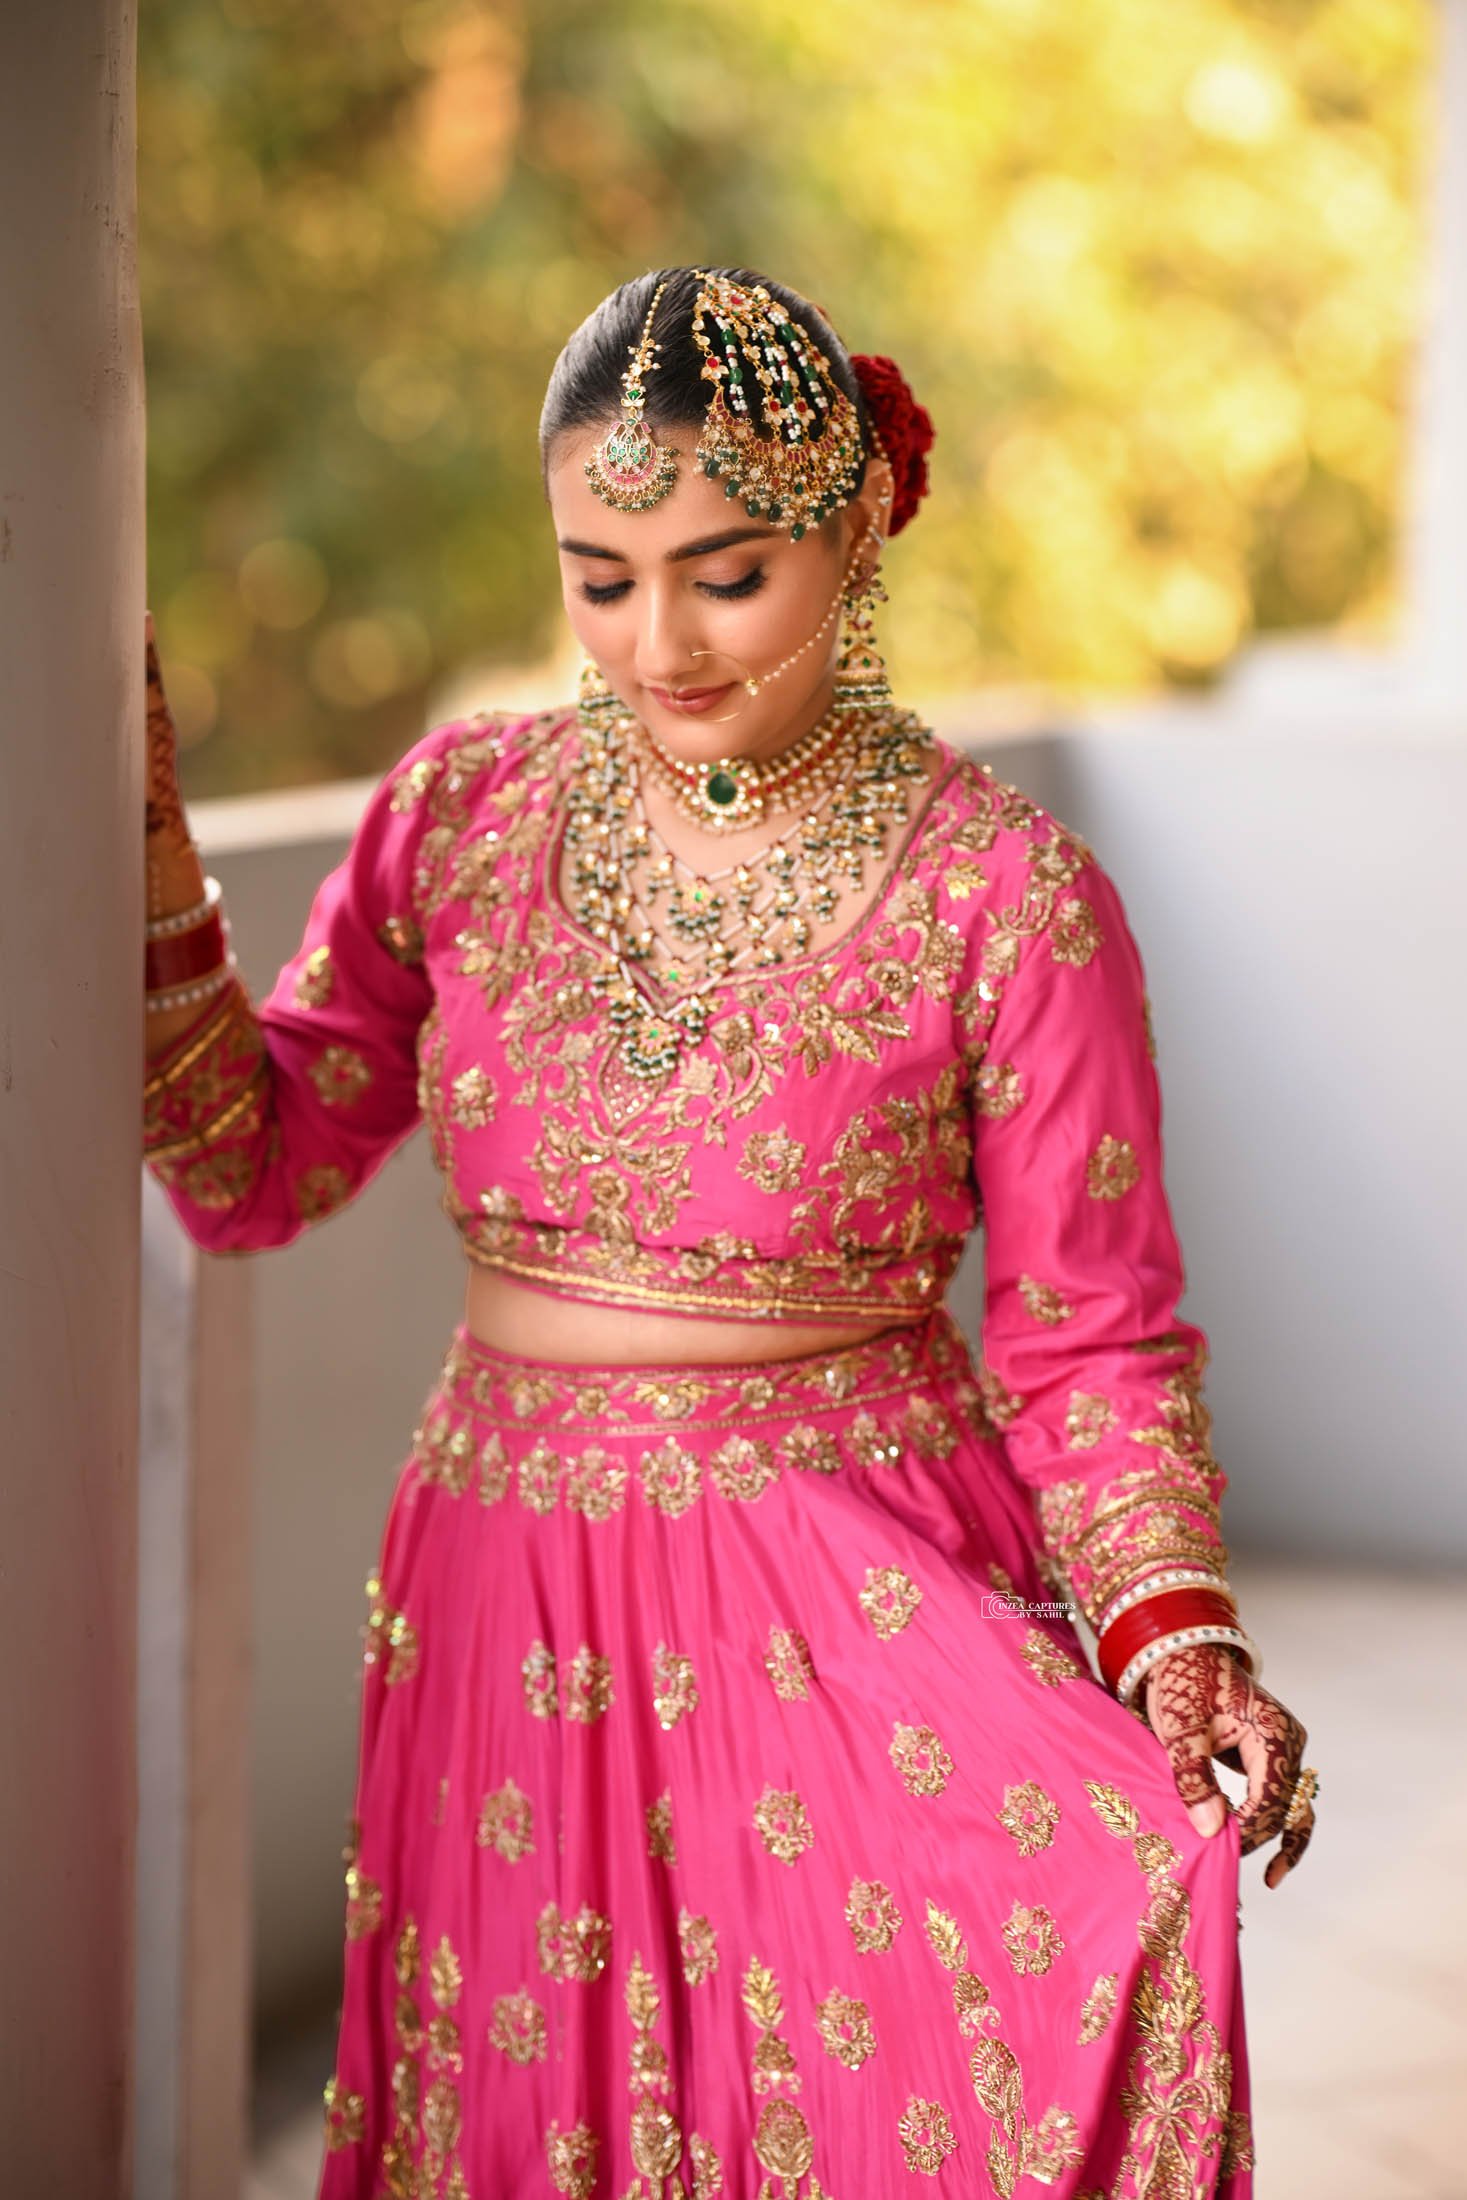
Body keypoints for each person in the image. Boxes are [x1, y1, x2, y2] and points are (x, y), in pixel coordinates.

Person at [142, 265, 1315, 2199]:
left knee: (851, 2113)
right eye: (601, 578)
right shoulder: (463, 817)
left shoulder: (1005, 900)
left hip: (840, 1591)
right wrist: (140, 842)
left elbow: (1091, 1338)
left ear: (856, 529)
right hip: (503, 1596)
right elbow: (248, 1167)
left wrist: (1179, 1642)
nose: (657, 639)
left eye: (724, 571)